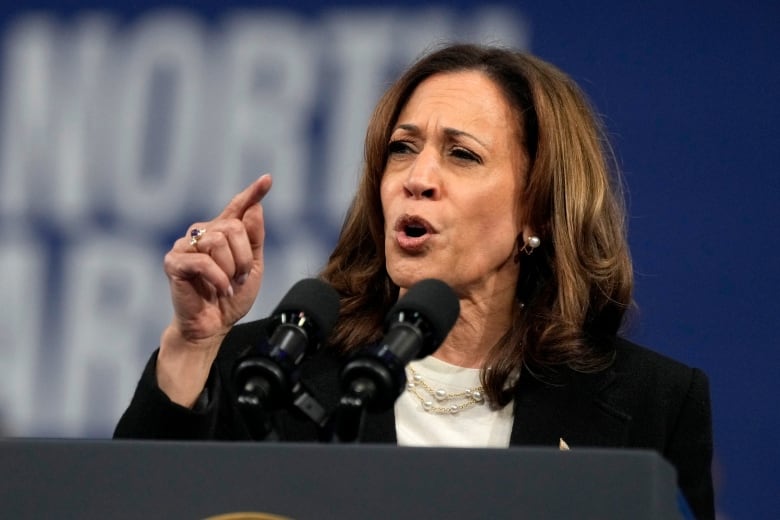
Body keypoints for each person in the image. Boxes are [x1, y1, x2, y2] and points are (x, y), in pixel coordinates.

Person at [115, 43, 714, 518]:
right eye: (402, 149)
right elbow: (132, 506)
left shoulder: (650, 402)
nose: (417, 177)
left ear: (537, 208)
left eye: (462, 155)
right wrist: (193, 346)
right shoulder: (266, 372)